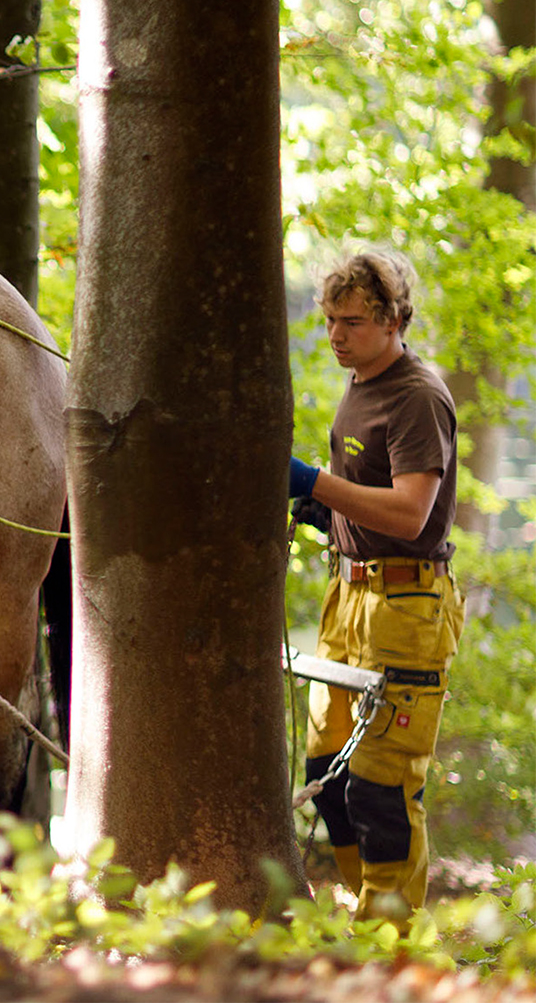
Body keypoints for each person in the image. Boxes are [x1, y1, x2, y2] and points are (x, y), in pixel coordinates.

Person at [288, 250, 464, 924]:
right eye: (330, 320)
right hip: (349, 601)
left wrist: (313, 482)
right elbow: (365, 500)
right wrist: (325, 511)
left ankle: (389, 948)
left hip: (406, 608)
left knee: (381, 792)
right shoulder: (360, 382)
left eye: (352, 322)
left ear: (393, 319)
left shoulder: (417, 394)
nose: (335, 335)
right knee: (327, 781)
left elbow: (411, 513)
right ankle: (368, 917)